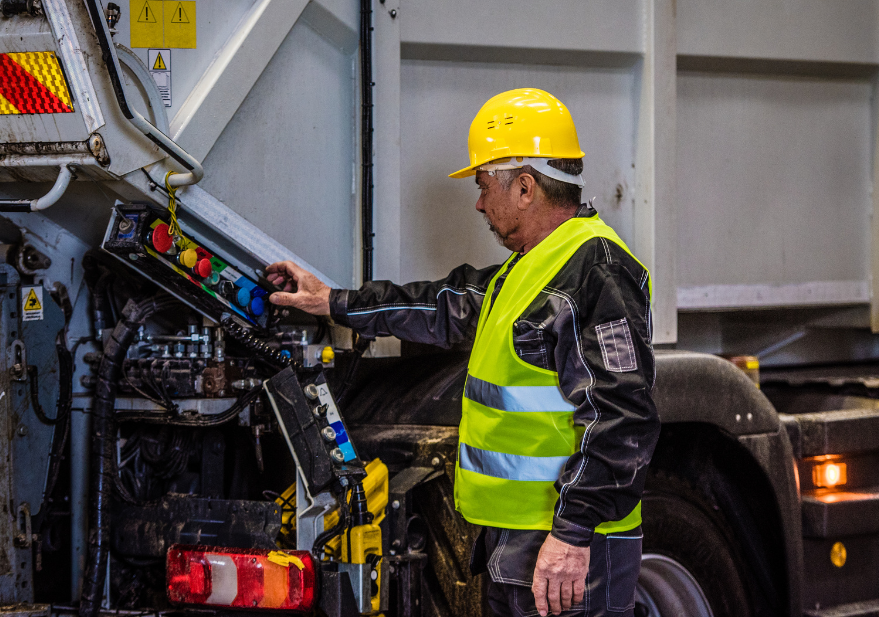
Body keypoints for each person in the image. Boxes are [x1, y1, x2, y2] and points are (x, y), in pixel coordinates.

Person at [267, 88, 659, 617]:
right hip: (519, 545)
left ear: (524, 187)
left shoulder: (596, 271)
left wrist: (572, 535)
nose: (478, 203)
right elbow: (435, 306)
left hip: (567, 553)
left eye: (483, 184)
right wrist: (330, 301)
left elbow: (623, 417)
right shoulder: (525, 271)